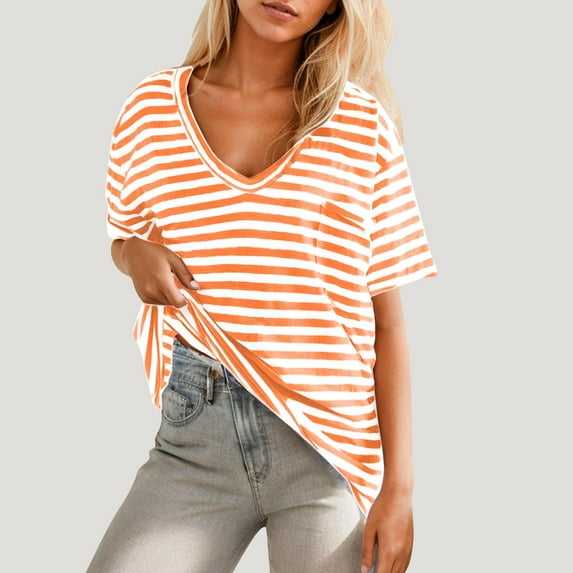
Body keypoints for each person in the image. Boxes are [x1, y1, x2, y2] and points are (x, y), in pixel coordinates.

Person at [87, 1, 437, 572]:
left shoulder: (360, 125)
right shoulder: (150, 111)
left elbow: (388, 322)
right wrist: (130, 255)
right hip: (195, 439)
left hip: (329, 452)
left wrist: (398, 490)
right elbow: (124, 235)